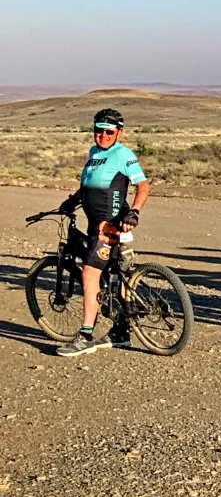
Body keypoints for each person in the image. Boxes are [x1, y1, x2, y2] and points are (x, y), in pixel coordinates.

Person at [55, 108, 150, 357]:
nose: (103, 135)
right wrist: (72, 201)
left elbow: (143, 185)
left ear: (119, 132)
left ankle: (85, 336)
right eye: (99, 130)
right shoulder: (94, 152)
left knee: (89, 273)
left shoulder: (123, 154)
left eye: (109, 131)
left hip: (110, 225)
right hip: (94, 221)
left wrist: (134, 212)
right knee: (112, 272)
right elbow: (88, 185)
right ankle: (120, 332)